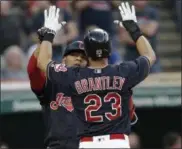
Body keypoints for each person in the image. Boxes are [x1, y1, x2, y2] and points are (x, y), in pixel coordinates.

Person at [37, 2, 156, 148]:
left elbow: (42, 62)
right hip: (117, 142)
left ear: (86, 53)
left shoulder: (74, 75)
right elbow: (149, 55)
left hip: (88, 143)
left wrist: (49, 32)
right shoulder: (123, 72)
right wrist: (133, 29)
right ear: (110, 51)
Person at [27, 40, 87, 149]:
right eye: (74, 55)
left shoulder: (96, 85)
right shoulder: (52, 83)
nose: (79, 58)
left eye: (84, 57)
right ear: (64, 60)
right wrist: (44, 41)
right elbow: (33, 70)